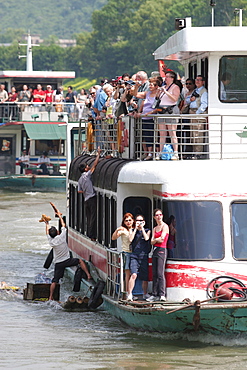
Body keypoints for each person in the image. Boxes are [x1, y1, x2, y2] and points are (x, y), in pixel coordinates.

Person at [44, 210, 91, 300]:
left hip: (58, 263)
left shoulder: (51, 241)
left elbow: (47, 232)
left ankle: (50, 296)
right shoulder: (62, 237)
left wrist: (46, 223)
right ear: (57, 232)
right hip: (67, 261)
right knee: (80, 261)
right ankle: (88, 275)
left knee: (55, 280)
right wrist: (61, 217)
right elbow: (64, 226)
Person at [132, 77, 162, 160]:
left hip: (153, 118)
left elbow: (160, 107)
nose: (150, 86)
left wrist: (151, 113)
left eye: (152, 85)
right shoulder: (147, 93)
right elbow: (135, 94)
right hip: (145, 118)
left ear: (156, 86)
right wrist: (136, 86)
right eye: (150, 84)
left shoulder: (159, 94)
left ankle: (157, 152)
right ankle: (149, 153)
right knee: (147, 135)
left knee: (155, 135)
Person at [77, 147, 101, 240]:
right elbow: (94, 165)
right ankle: (92, 236)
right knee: (93, 217)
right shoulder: (87, 175)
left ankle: (89, 233)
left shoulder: (80, 180)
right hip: (91, 198)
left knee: (89, 217)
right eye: (87, 166)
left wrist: (85, 190)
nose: (89, 167)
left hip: (86, 199)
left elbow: (79, 191)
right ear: (85, 169)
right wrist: (98, 155)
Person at [157, 71, 181, 160]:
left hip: (171, 110)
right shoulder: (163, 87)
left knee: (172, 132)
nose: (165, 79)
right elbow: (157, 98)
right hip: (162, 110)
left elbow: (175, 98)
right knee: (162, 133)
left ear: (172, 78)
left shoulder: (175, 87)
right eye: (165, 77)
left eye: (167, 77)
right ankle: (161, 152)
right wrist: (159, 92)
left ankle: (175, 153)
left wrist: (166, 92)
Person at [147, 209, 169, 302]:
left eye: (160, 214)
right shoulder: (155, 228)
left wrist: (156, 239)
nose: (159, 216)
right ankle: (154, 294)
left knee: (160, 273)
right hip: (155, 250)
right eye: (157, 215)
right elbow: (152, 241)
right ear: (154, 217)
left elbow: (162, 239)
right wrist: (157, 239)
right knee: (154, 273)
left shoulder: (165, 226)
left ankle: (162, 294)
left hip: (162, 250)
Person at [128, 214, 151, 301]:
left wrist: (142, 229)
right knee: (133, 274)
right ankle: (130, 294)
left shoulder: (147, 230)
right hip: (134, 256)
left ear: (144, 222)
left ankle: (145, 293)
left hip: (144, 256)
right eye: (137, 221)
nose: (139, 222)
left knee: (145, 277)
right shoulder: (132, 230)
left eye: (141, 221)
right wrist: (135, 229)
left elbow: (146, 238)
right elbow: (130, 239)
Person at [111, 213, 135, 296]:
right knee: (127, 274)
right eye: (126, 220)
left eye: (130, 220)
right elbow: (113, 238)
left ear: (133, 221)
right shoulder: (123, 230)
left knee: (134, 274)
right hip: (127, 253)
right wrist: (117, 230)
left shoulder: (135, 229)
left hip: (135, 253)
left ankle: (130, 292)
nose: (128, 222)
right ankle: (126, 293)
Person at [189, 75, 208, 158]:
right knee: (193, 133)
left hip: (198, 113)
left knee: (198, 133)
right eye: (196, 80)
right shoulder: (195, 90)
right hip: (192, 112)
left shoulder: (204, 91)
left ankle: (198, 153)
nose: (197, 81)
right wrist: (190, 100)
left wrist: (197, 113)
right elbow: (187, 100)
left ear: (203, 82)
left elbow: (204, 104)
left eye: (199, 80)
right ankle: (194, 152)